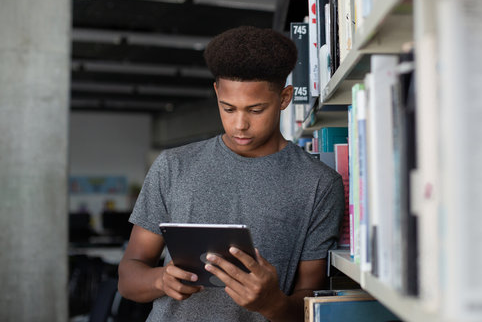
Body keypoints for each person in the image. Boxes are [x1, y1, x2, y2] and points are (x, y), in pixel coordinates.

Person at [118, 25, 345, 321]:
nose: (239, 124)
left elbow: (311, 307)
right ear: (216, 93)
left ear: (285, 98)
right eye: (228, 108)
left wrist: (271, 302)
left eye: (255, 110)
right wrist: (161, 280)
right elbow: (128, 276)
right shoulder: (173, 166)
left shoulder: (319, 184)